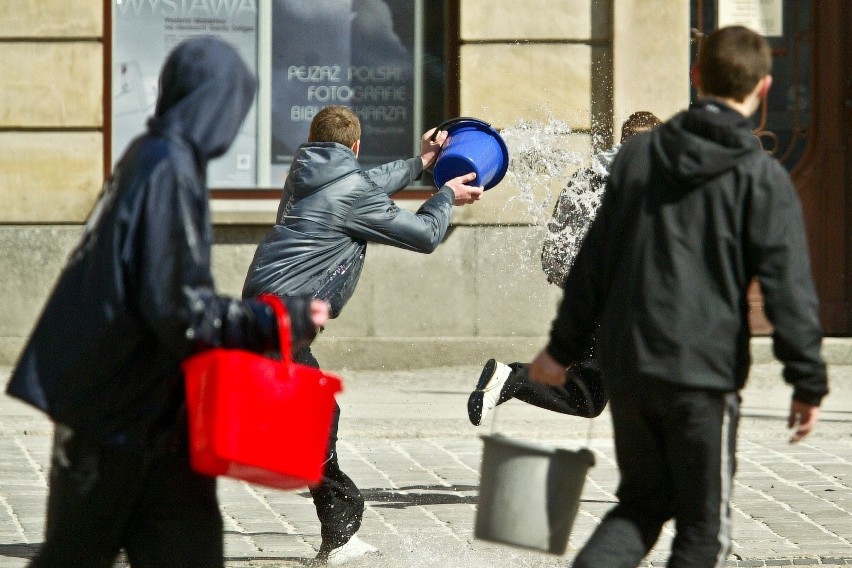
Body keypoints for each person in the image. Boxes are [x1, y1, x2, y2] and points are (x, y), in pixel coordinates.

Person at [5, 37, 328, 568]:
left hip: (146, 414)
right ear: (211, 102)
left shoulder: (151, 155)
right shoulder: (168, 169)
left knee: (184, 551)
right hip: (118, 418)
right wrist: (276, 318)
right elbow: (174, 305)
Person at [529, 26, 829, 567]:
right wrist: (806, 378)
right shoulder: (759, 174)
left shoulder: (636, 161)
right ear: (765, 89)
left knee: (641, 504)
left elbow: (593, 264)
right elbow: (789, 286)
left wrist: (561, 348)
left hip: (631, 366)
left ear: (696, 78)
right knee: (702, 533)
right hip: (702, 374)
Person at [242, 105, 484, 564]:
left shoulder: (304, 174)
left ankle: (339, 533)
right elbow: (426, 234)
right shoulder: (350, 190)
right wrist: (446, 194)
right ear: (355, 147)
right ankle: (341, 536)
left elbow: (365, 184)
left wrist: (422, 163)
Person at [467, 112, 662, 427]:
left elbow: (560, 240)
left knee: (591, 392)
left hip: (591, 293)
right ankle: (511, 378)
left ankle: (511, 378)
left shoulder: (595, 172)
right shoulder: (637, 180)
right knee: (591, 393)